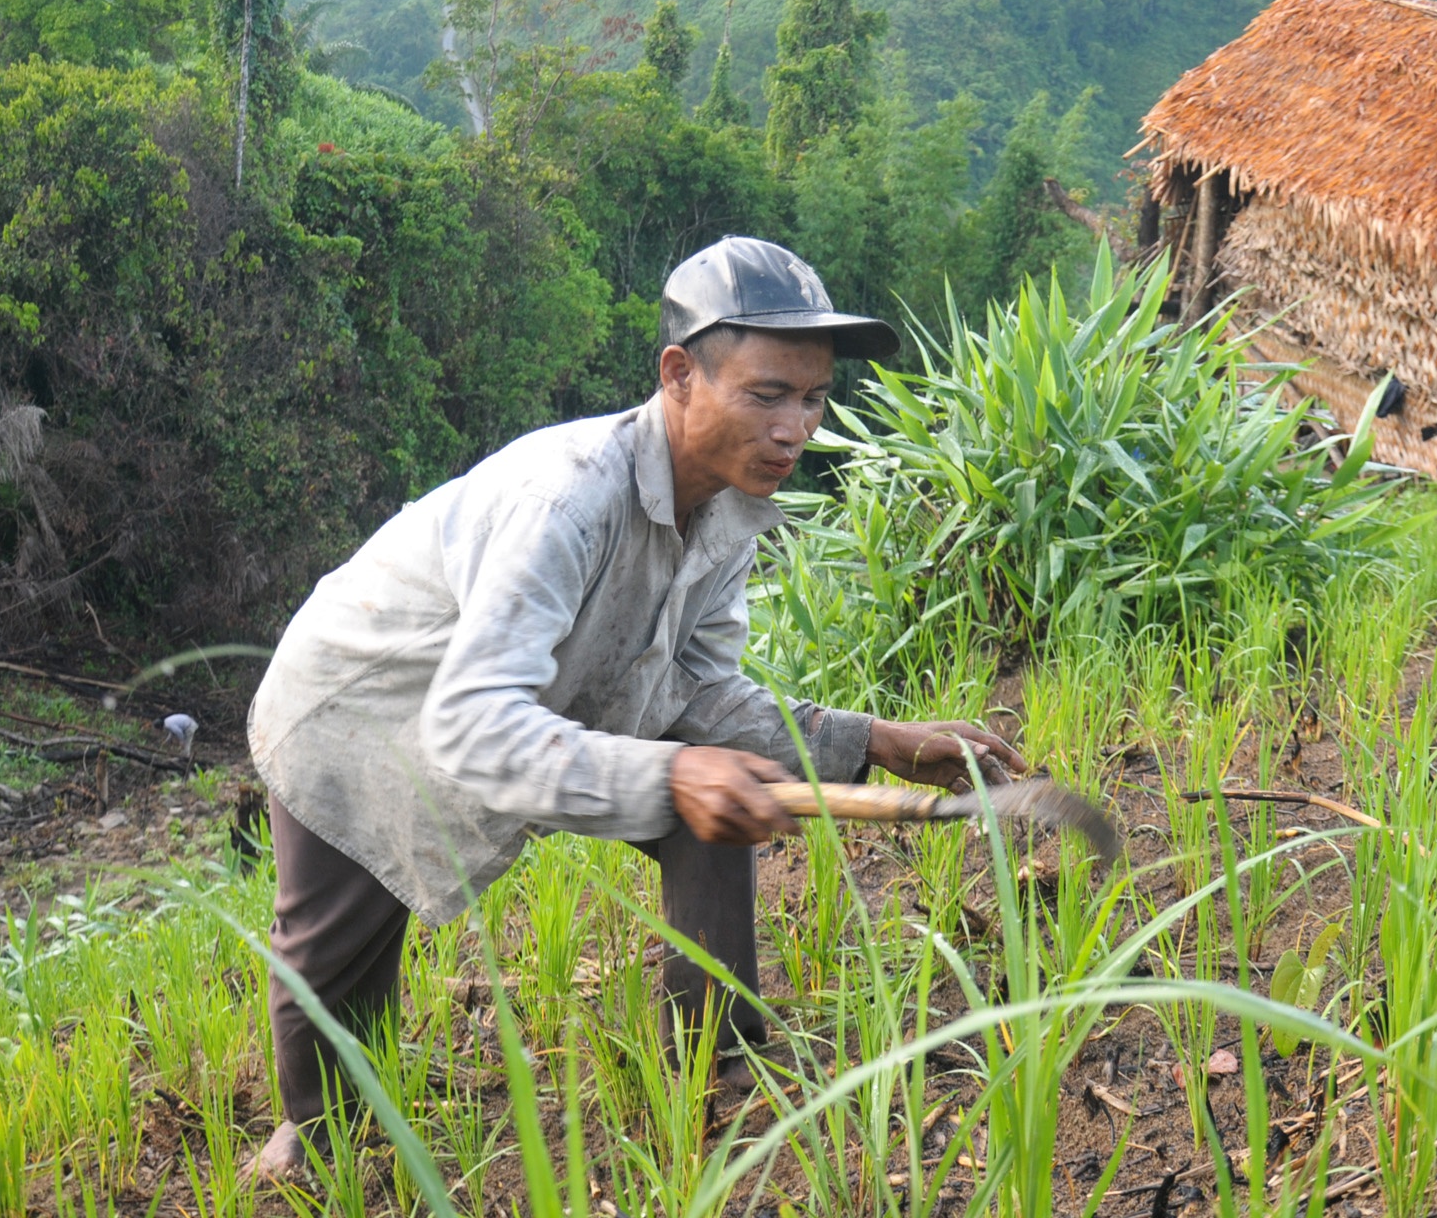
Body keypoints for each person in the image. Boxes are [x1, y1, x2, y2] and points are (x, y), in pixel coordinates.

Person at [240, 237, 1025, 1181]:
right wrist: (674, 768)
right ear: (680, 373)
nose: (796, 429)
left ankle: (716, 1058)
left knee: (711, 807)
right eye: (767, 394)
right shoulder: (566, 500)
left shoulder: (728, 508)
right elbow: (472, 723)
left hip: (525, 698)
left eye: (814, 399)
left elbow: (698, 689)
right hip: (359, 702)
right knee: (338, 965)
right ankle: (307, 1154)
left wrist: (878, 743)